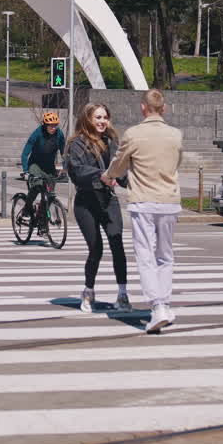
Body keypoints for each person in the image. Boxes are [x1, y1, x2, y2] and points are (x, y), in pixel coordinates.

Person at [103, 89, 183, 334]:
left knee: (145, 256)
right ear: (164, 108)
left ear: (143, 108)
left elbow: (118, 164)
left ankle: (157, 306)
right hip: (169, 200)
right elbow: (176, 163)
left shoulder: (134, 134)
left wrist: (108, 176)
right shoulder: (175, 135)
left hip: (143, 201)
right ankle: (165, 303)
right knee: (165, 255)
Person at [65, 103, 130, 314]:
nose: (102, 121)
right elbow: (77, 170)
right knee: (96, 249)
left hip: (107, 200)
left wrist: (135, 182)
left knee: (117, 243)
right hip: (86, 202)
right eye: (98, 117)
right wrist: (99, 175)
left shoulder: (111, 142)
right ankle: (88, 291)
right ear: (88, 119)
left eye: (105, 117)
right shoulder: (76, 144)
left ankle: (122, 294)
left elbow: (119, 171)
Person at [20, 111, 66, 226]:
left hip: (49, 166)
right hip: (35, 165)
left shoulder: (59, 135)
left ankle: (42, 220)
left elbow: (64, 153)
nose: (53, 128)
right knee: (37, 185)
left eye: (55, 125)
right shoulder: (37, 133)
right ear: (45, 125)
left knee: (50, 193)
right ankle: (26, 210)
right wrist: (26, 171)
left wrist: (65, 169)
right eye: (51, 125)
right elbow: (25, 154)